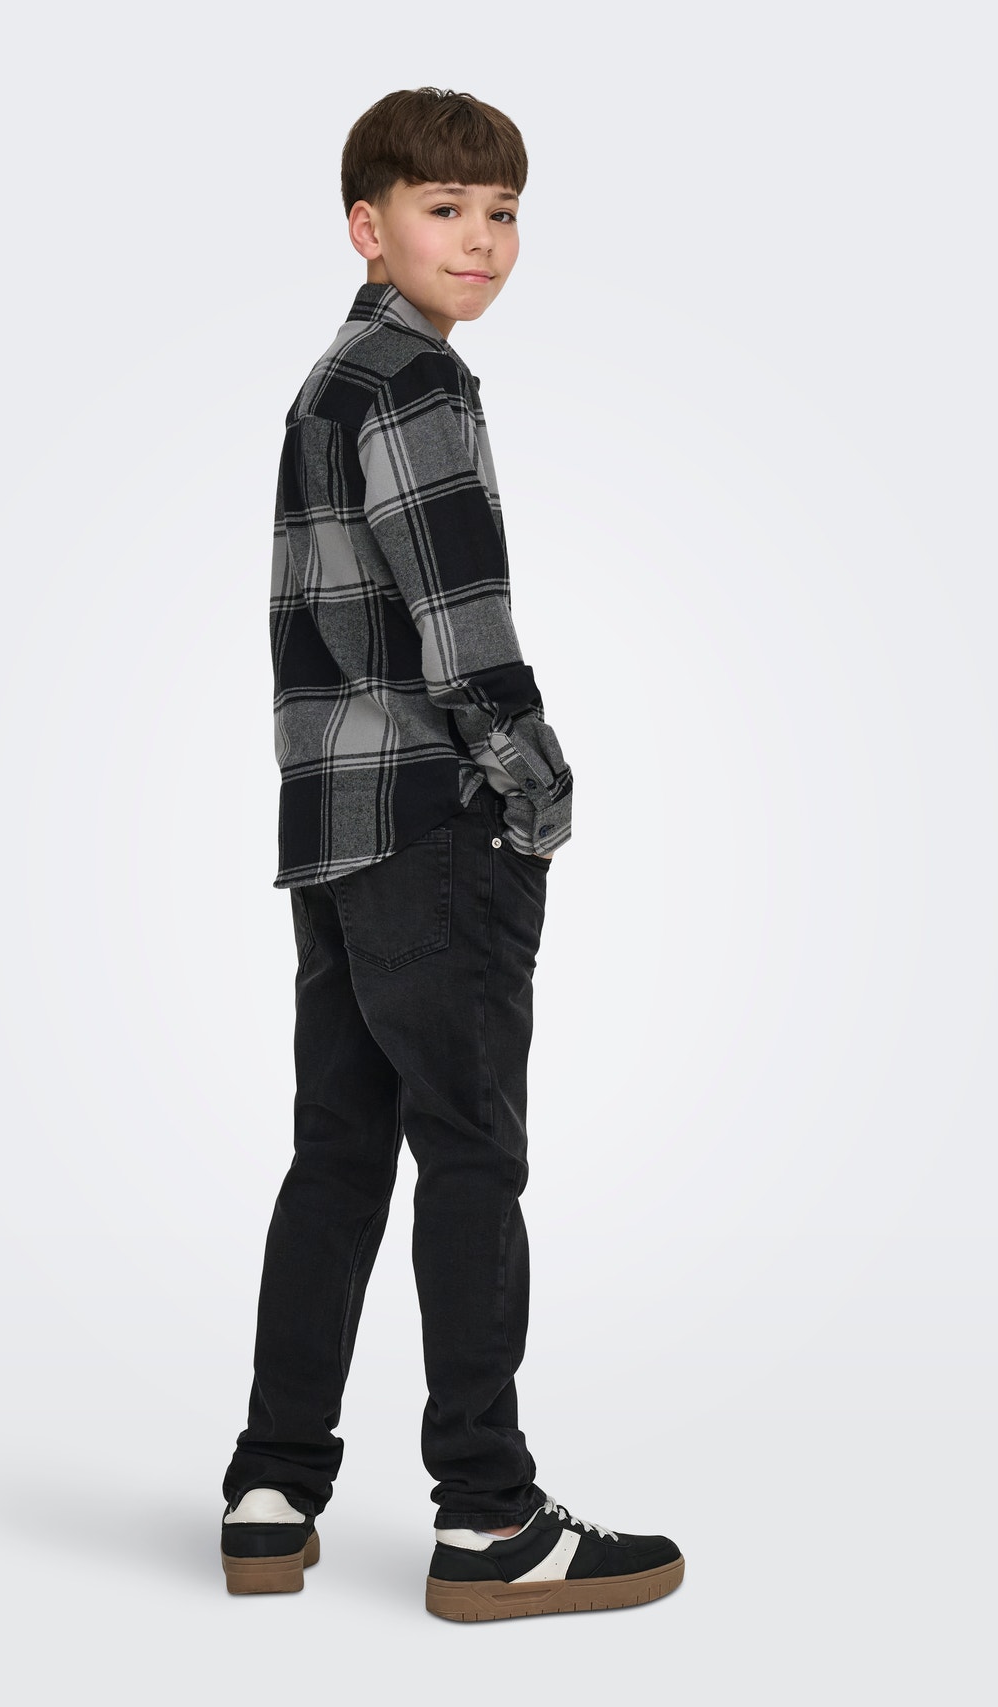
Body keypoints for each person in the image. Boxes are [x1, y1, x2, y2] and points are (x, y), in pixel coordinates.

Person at [219, 85, 684, 1622]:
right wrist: (536, 784)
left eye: (503, 214)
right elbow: (462, 625)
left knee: (339, 1154)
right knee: (472, 1154)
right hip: (434, 824)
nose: (480, 240)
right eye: (444, 209)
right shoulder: (417, 380)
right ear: (369, 227)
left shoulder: (327, 382)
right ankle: (488, 1517)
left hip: (334, 832)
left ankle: (271, 1491)